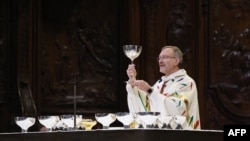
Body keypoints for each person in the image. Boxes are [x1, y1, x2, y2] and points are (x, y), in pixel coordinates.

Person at [125, 45, 200, 129]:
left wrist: (149, 90)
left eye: (164, 57)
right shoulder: (159, 83)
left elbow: (178, 109)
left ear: (176, 61)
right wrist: (133, 83)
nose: (160, 61)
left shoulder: (186, 83)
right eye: (159, 58)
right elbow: (148, 105)